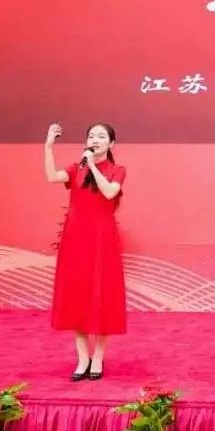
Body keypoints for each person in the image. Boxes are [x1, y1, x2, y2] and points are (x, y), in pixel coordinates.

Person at [44, 122, 127, 381]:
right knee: (76, 296)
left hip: (102, 240)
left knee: (103, 296)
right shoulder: (75, 168)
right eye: (91, 136)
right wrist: (48, 146)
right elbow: (52, 177)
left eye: (101, 136)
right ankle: (82, 357)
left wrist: (91, 165)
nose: (95, 140)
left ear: (111, 144)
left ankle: (98, 357)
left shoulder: (117, 170)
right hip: (75, 239)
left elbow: (109, 192)